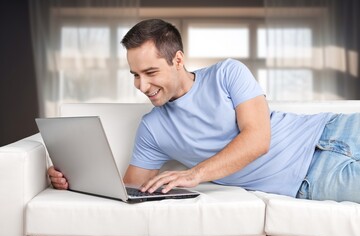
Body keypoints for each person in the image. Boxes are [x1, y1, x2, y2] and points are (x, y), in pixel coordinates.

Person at [48, 19, 360, 203]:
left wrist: (194, 174)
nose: (142, 86)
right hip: (309, 179)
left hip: (330, 129)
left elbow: (258, 138)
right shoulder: (153, 129)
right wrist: (73, 181)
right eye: (135, 75)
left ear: (178, 60)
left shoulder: (228, 73)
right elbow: (127, 189)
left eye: (150, 73)